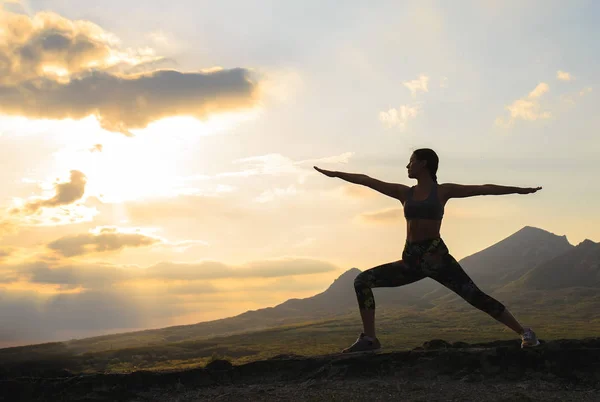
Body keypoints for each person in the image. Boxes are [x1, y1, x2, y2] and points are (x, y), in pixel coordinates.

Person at [314, 148, 542, 353]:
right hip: (412, 261)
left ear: (423, 163)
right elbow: (367, 180)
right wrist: (336, 174)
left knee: (476, 297)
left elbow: (483, 189)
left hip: (438, 259)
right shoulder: (404, 193)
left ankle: (524, 332)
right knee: (362, 281)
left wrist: (519, 190)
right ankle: (370, 339)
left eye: (411, 161)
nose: (407, 166)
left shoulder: (443, 191)